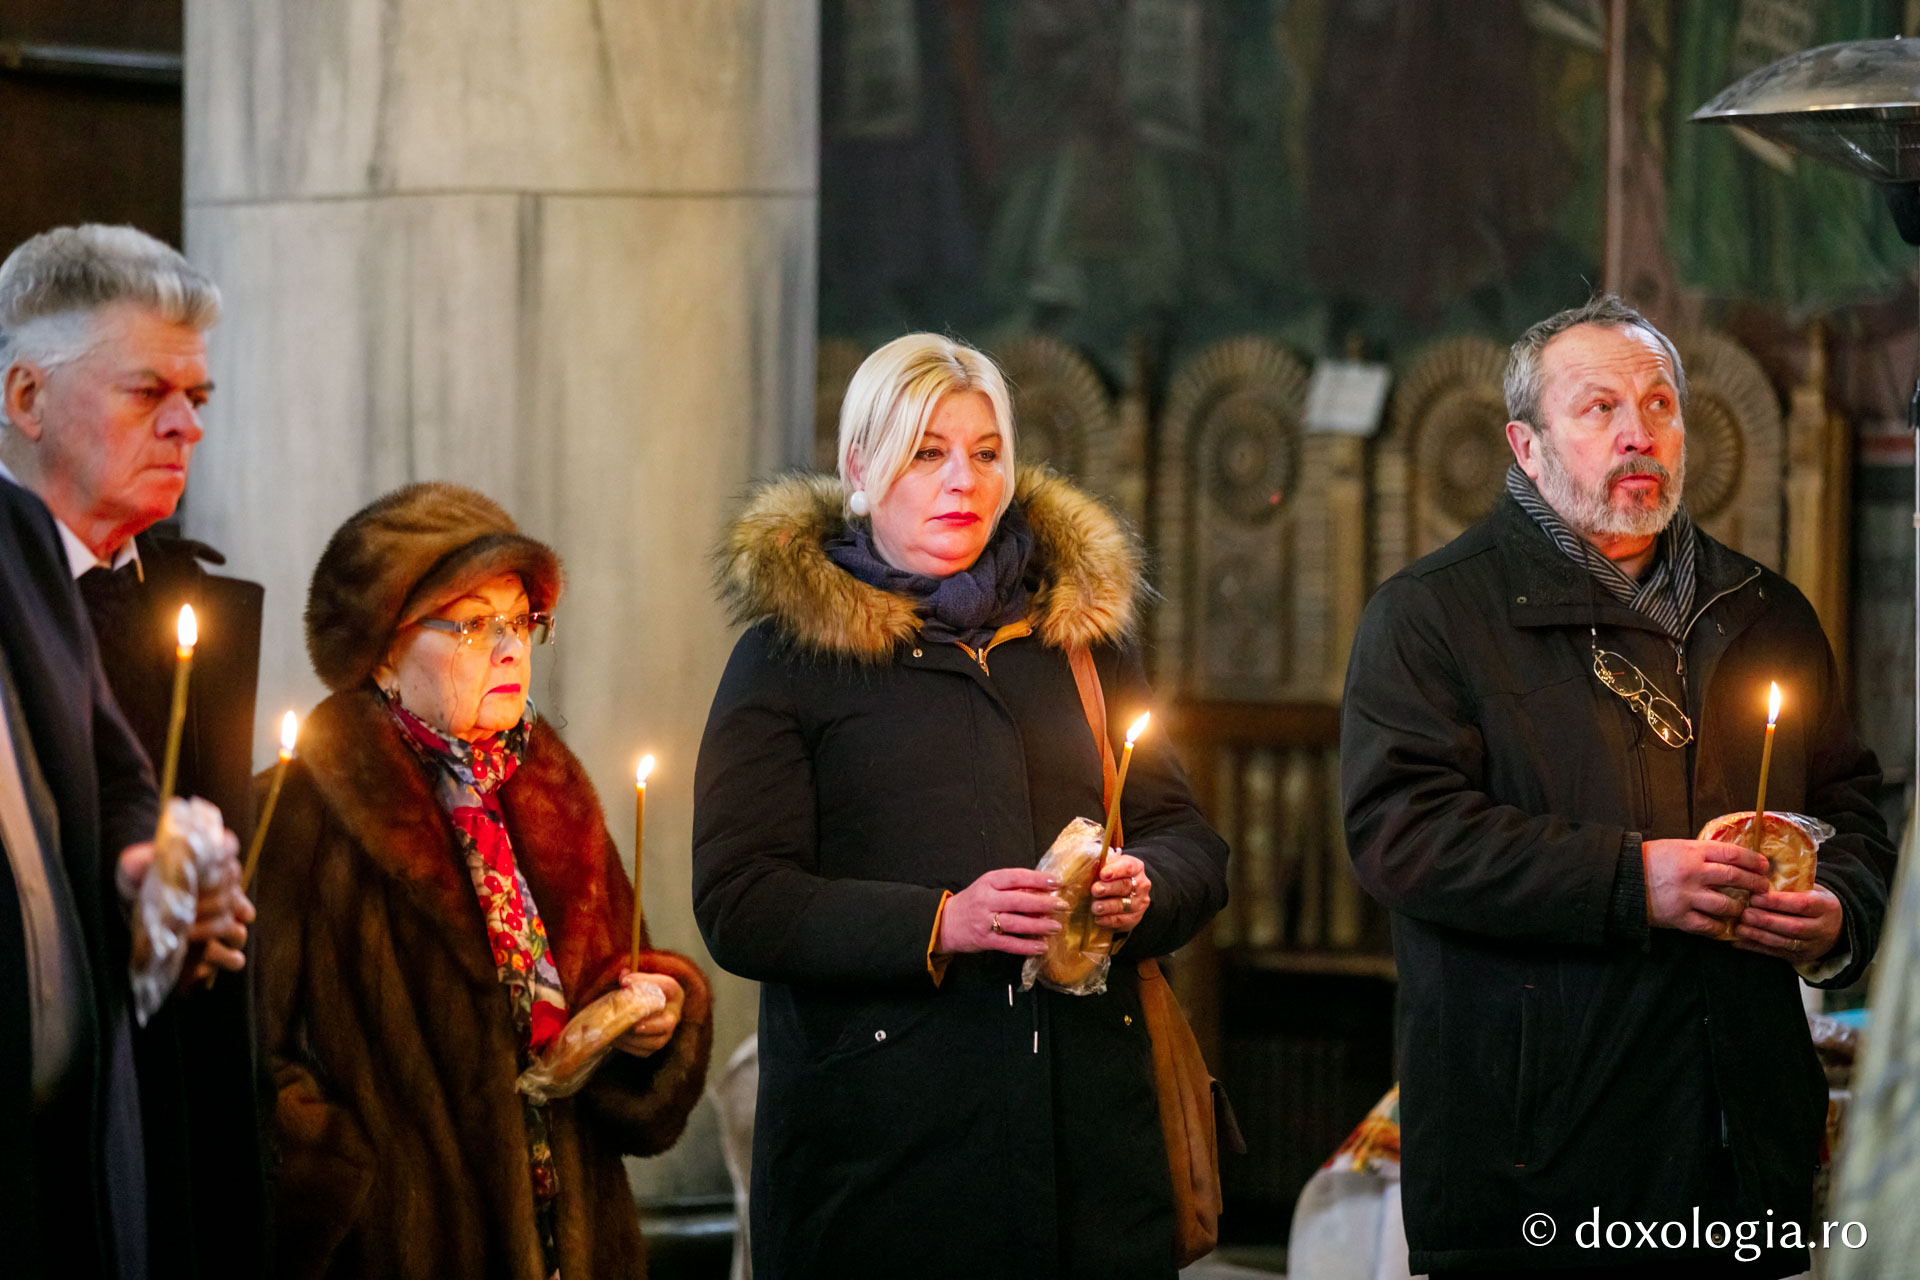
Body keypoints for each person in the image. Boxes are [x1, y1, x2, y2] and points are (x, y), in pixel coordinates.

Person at [1340, 295, 1893, 1279]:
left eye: (1659, 404)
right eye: (1599, 408)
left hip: (1738, 1151)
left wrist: (1836, 911)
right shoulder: (1431, 615)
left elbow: (1853, 807)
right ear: (1527, 443)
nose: (1639, 432)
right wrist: (1636, 881)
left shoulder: (1765, 611)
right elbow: (1402, 832)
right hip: (1536, 1154)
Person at [692, 333, 1230, 1280]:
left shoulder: (1076, 639)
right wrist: (943, 922)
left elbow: (1187, 840)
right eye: (926, 452)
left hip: (1091, 1162)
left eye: (985, 453)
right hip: (883, 1166)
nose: (962, 481)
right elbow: (741, 899)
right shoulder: (787, 659)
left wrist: (1147, 892)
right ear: (861, 468)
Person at [254, 482, 712, 1279]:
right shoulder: (299, 812)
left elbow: (613, 985)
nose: (511, 648)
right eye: (473, 625)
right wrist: (353, 1192)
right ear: (384, 649)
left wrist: (654, 1018)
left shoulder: (548, 791)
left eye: (522, 620)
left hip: (575, 1239)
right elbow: (246, 1058)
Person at [0, 223, 268, 1279]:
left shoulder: (186, 601)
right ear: (25, 398)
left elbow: (123, 796)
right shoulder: (26, 561)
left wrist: (161, 873)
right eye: (146, 390)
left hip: (162, 1111)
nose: (184, 426)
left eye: (197, 398)